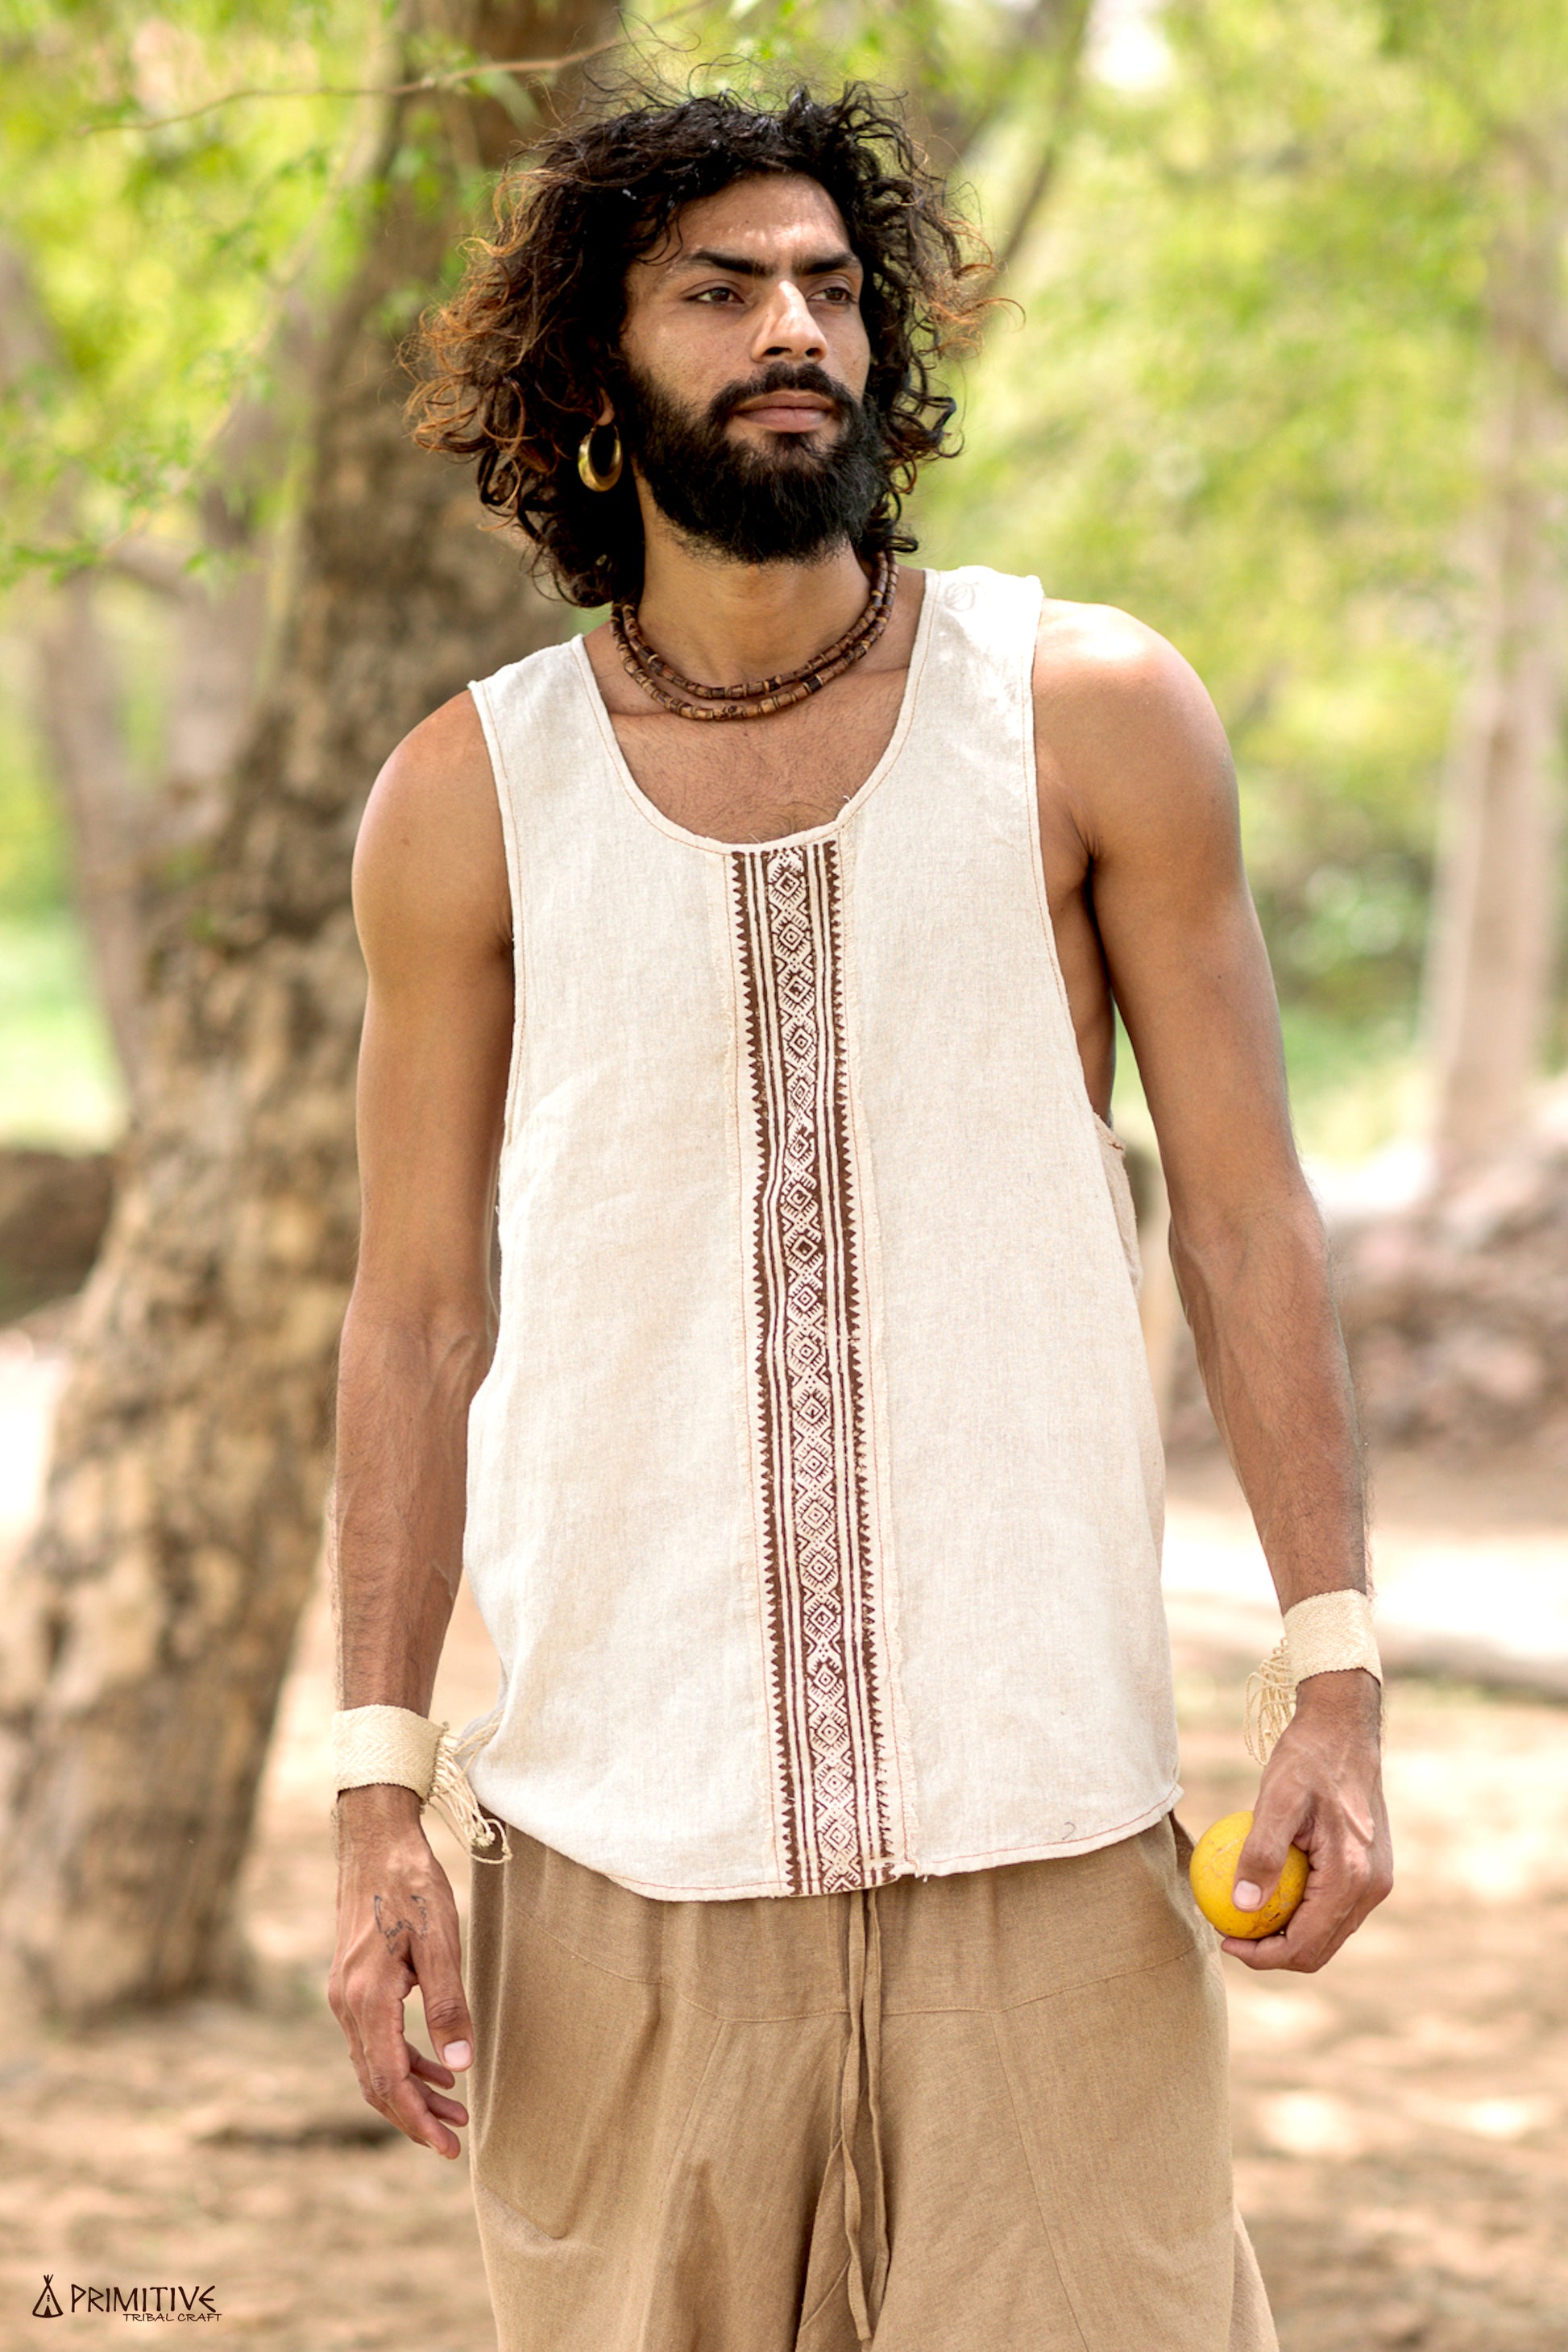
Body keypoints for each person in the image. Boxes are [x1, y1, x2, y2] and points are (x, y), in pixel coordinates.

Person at [326, 82, 1392, 2352]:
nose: (789, 328)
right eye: (717, 292)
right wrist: (373, 1802)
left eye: (827, 285)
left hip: (1043, 1828)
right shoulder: (468, 800)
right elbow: (413, 1319)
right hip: (621, 1860)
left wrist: (1334, 1669)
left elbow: (1245, 1223)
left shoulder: (1087, 715)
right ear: (593, 374)